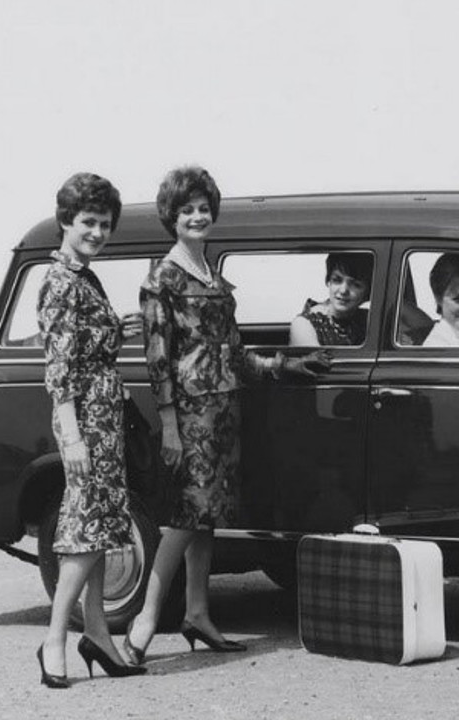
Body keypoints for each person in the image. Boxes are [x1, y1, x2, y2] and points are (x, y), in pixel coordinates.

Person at [124, 166, 325, 662]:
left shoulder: (212, 275)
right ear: (171, 217)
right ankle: (145, 620)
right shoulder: (162, 279)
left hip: (225, 408)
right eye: (186, 210)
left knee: (207, 516)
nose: (197, 217)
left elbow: (233, 352)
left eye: (203, 208)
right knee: (186, 517)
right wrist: (169, 425)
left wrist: (283, 365)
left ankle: (197, 613)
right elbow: (157, 359)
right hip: (190, 413)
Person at [36, 173, 146, 688]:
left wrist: (116, 328)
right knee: (84, 531)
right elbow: (58, 369)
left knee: (101, 528)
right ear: (66, 220)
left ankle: (98, 633)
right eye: (88, 222)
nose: (98, 232)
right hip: (82, 419)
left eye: (105, 224)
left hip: (103, 417)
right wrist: (73, 436)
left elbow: (85, 346)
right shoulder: (60, 281)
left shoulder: (85, 278)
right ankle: (54, 639)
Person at [289, 252, 373, 346]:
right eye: (337, 280)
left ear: (368, 291)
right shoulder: (304, 324)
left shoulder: (368, 319)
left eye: (355, 285)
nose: (343, 290)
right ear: (329, 281)